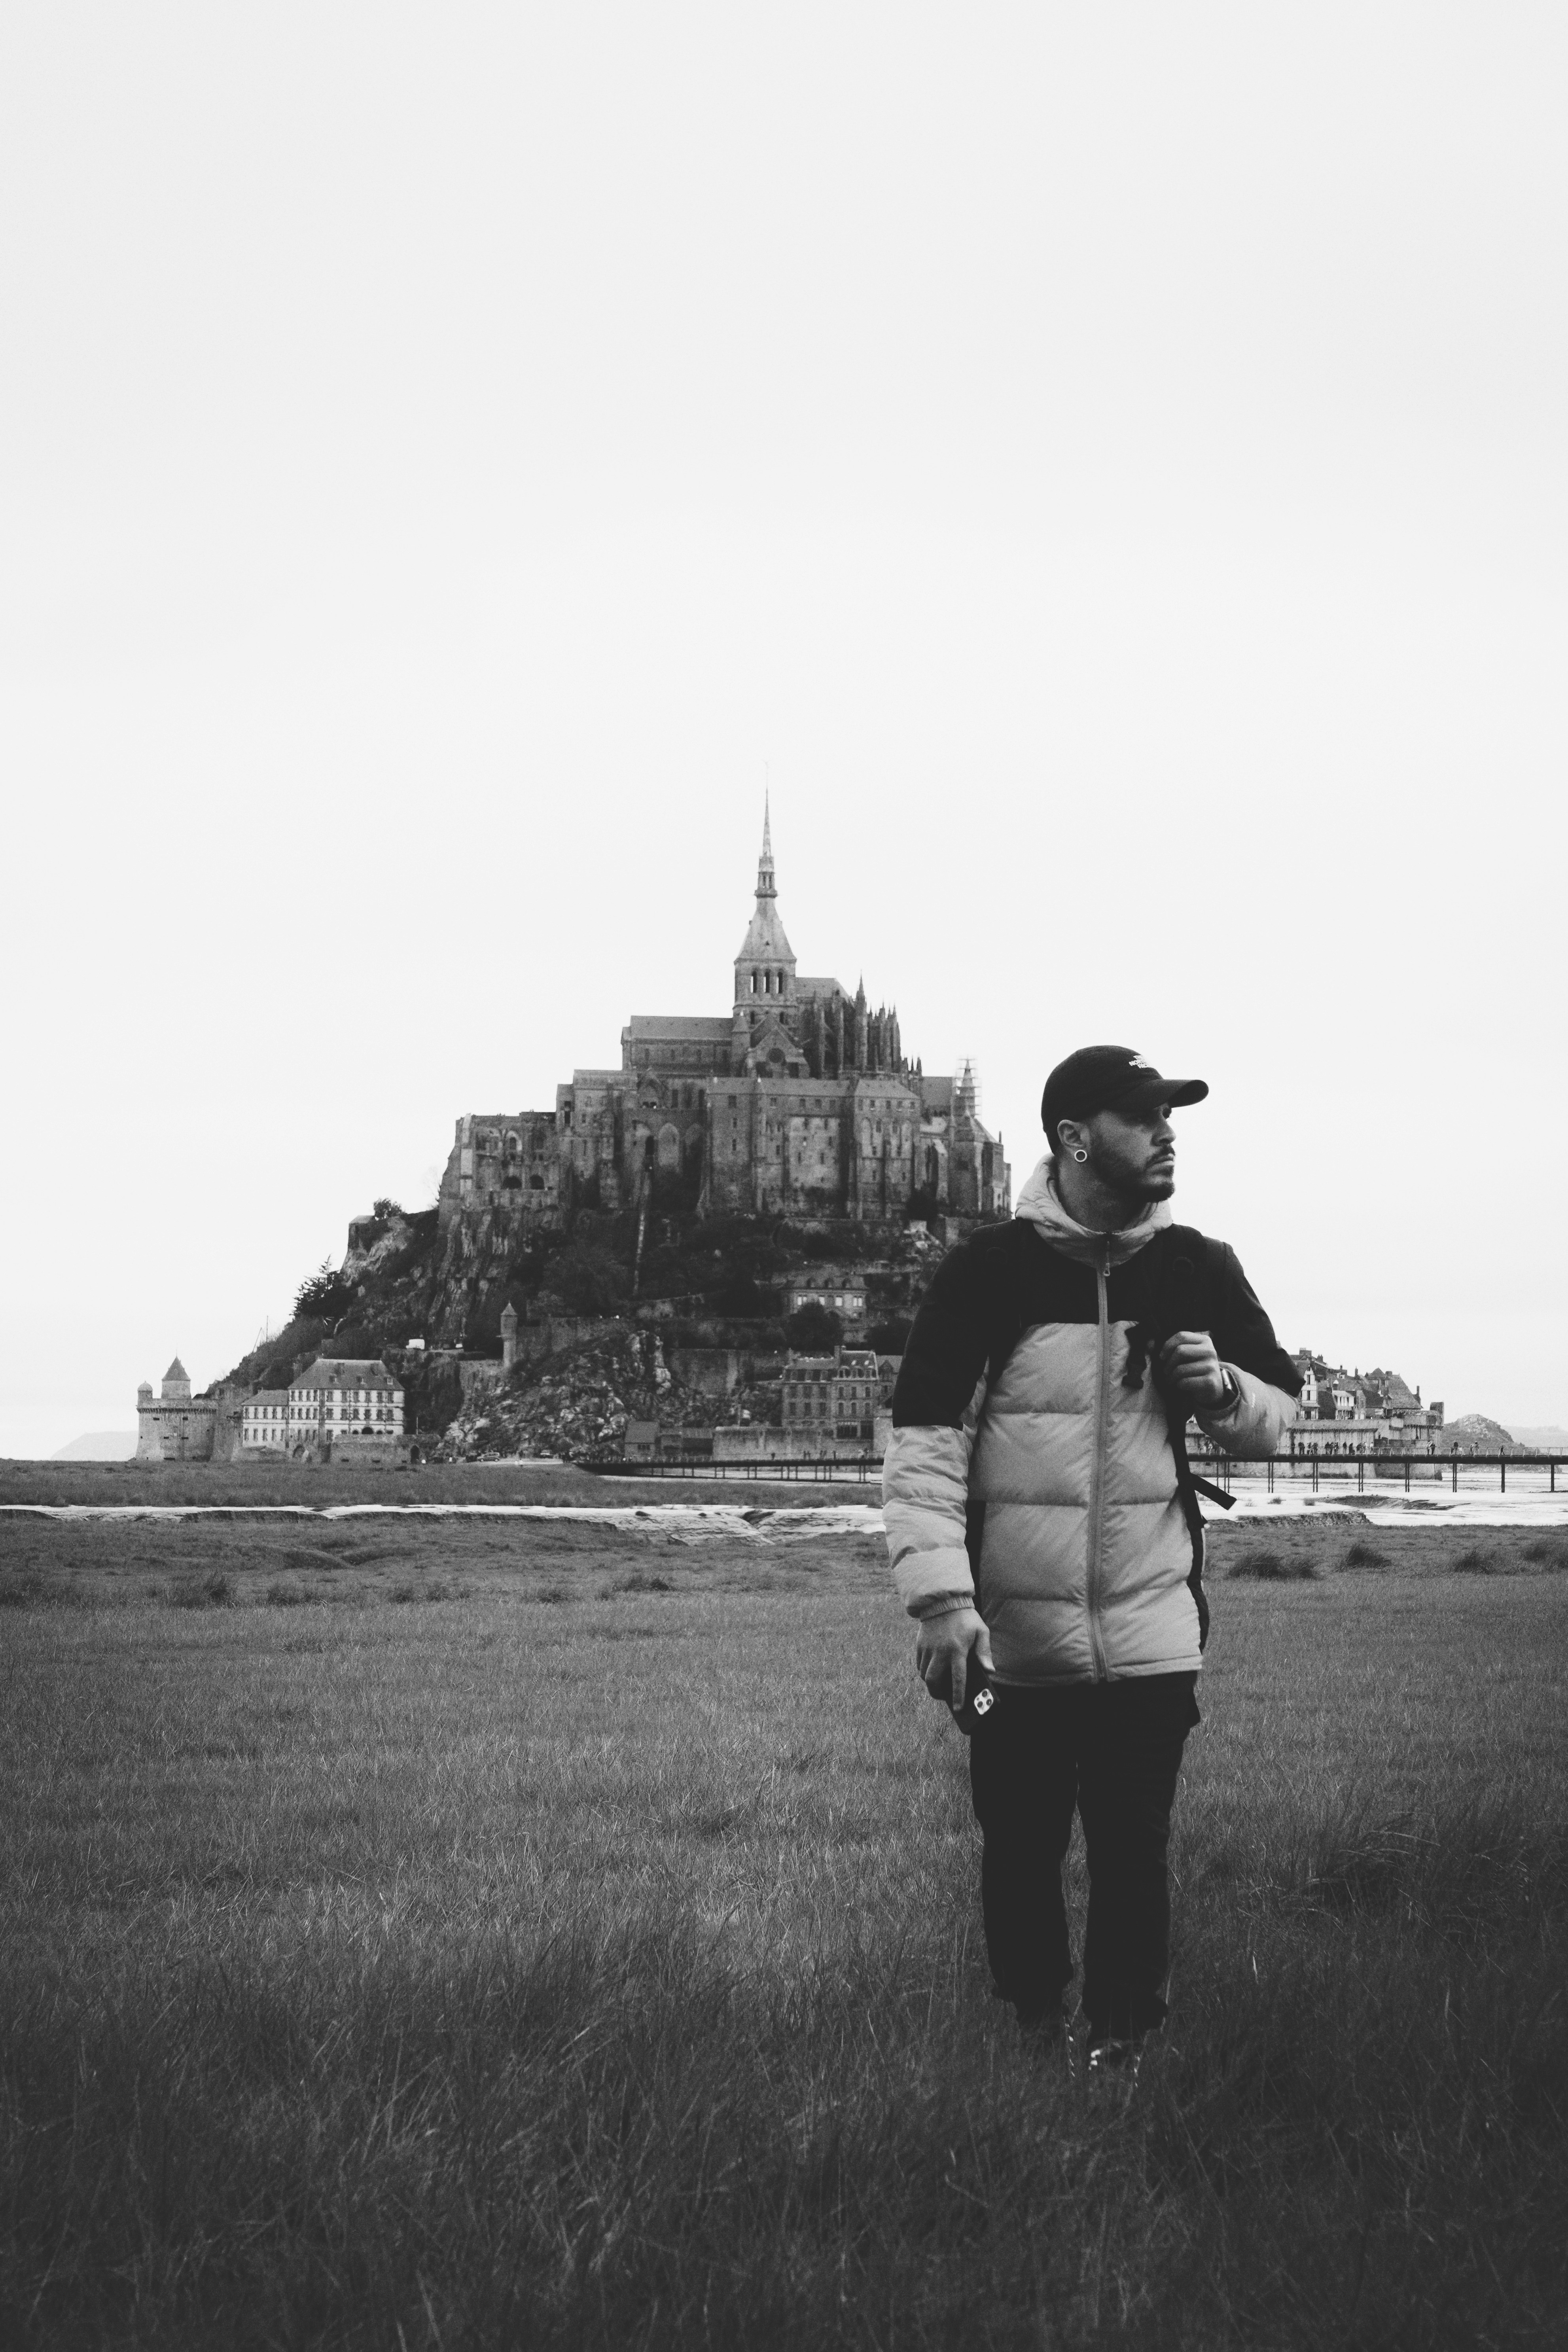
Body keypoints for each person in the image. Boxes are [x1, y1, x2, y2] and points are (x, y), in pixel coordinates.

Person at [883, 1045, 1301, 2074]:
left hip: (1154, 1634)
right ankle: (1032, 2035)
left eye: (1170, 1116)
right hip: (1005, 1649)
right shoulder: (989, 1270)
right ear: (1074, 1137)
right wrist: (940, 1600)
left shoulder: (1197, 1265)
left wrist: (1223, 1393)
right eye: (1142, 1116)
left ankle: (1119, 2055)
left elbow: (1275, 1420)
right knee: (1017, 1852)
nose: (1166, 1134)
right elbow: (924, 1439)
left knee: (1132, 1855)